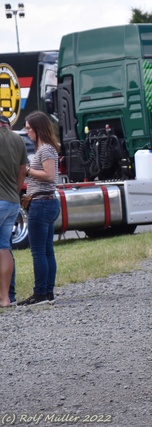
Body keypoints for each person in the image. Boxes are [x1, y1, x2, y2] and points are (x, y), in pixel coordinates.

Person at [17, 111, 61, 306]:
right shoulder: (46, 149)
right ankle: (48, 292)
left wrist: (26, 170)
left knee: (38, 251)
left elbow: (50, 176)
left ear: (38, 128)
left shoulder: (46, 150)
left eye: (28, 128)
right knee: (47, 250)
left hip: (42, 203)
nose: (27, 132)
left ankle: (40, 293)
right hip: (47, 202)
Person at [0, 115, 27, 308]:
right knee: (4, 248)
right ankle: (6, 298)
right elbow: (23, 170)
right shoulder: (17, 138)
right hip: (11, 202)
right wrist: (14, 193)